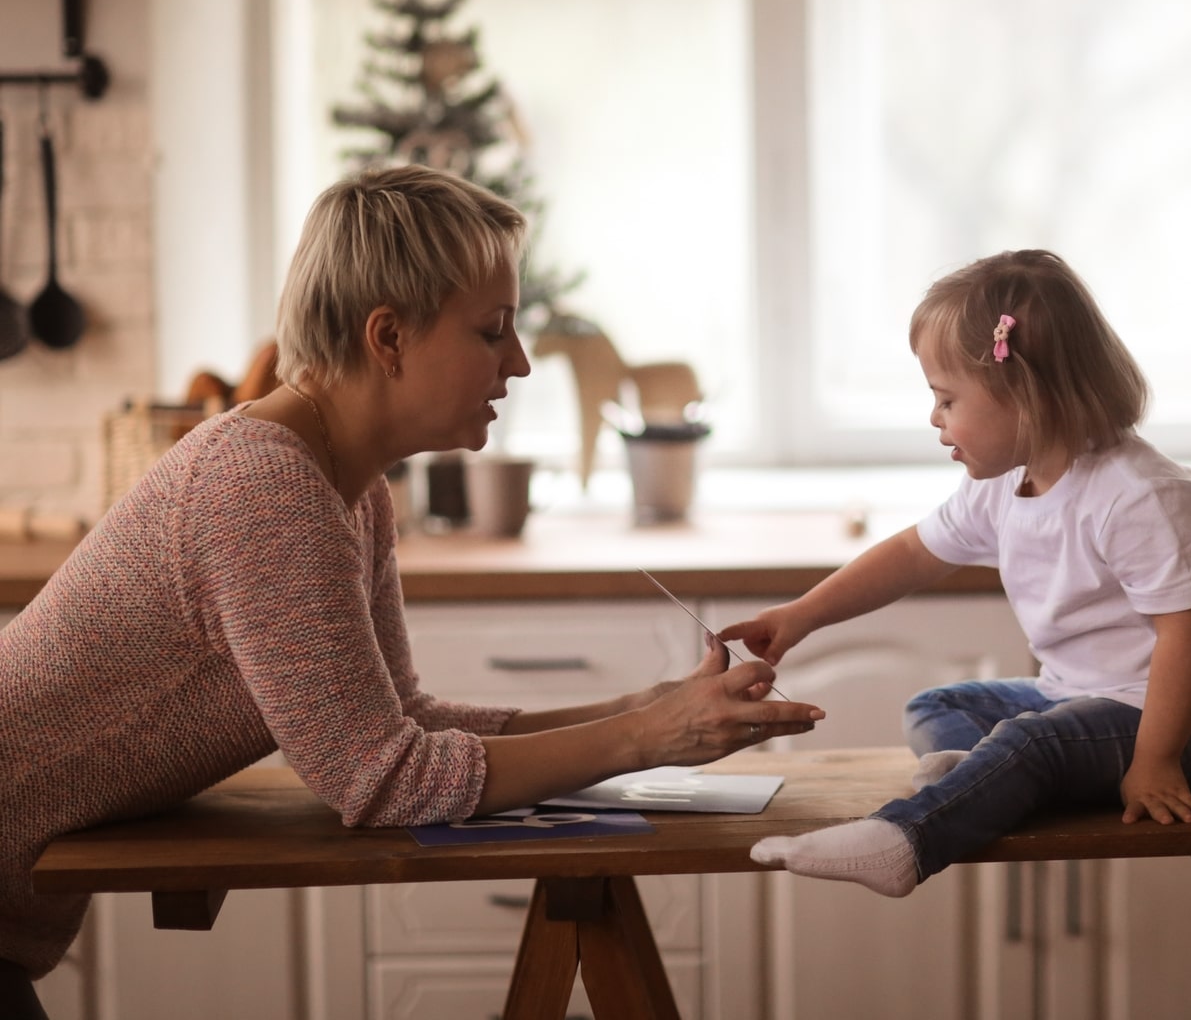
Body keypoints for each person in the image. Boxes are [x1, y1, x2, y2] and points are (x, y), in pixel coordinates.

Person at [0, 165, 822, 1014]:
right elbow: (381, 779)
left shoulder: (346, 487)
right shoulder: (265, 489)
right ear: (388, 337)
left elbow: (403, 723)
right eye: (492, 331)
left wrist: (646, 706)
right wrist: (650, 737)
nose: (523, 362)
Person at [723, 249, 1191, 898]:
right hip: (1078, 697)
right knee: (938, 706)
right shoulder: (1006, 484)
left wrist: (1156, 761)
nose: (934, 418)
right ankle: (979, 778)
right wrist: (801, 614)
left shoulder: (1140, 495)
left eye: (947, 398)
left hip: (1185, 729)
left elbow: (1187, 632)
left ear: (1025, 396)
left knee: (1032, 745)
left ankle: (906, 839)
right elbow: (915, 553)